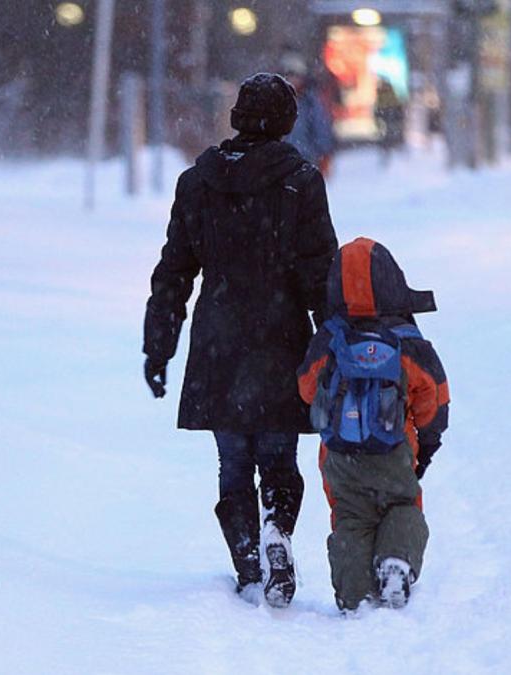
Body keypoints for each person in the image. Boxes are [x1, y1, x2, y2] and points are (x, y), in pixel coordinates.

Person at [143, 73, 338, 608]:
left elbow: (174, 271)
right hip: (282, 337)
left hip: (218, 339)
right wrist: (333, 344)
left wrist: (157, 345)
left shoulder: (197, 182)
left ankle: (249, 561)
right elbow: (320, 273)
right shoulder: (301, 181)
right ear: (286, 124)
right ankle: (278, 530)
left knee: (233, 462)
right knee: (278, 458)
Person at [297, 237, 450, 612]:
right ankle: (397, 560)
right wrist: (427, 444)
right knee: (403, 506)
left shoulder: (330, 338)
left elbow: (305, 388)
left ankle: (354, 592)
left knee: (350, 517)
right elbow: (436, 397)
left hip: (340, 454)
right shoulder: (406, 341)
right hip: (394, 449)